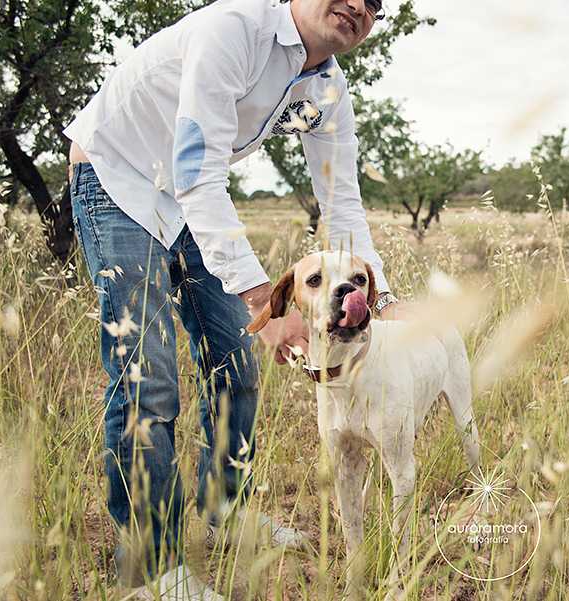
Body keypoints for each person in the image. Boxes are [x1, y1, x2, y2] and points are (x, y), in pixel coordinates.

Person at [64, 0, 408, 598]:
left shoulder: (327, 88)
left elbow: (343, 202)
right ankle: (153, 572)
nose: (359, 6)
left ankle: (227, 511)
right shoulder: (236, 28)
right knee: (148, 375)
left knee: (237, 361)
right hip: (117, 177)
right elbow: (198, 169)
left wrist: (384, 300)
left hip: (188, 201)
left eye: (375, 3)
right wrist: (264, 304)